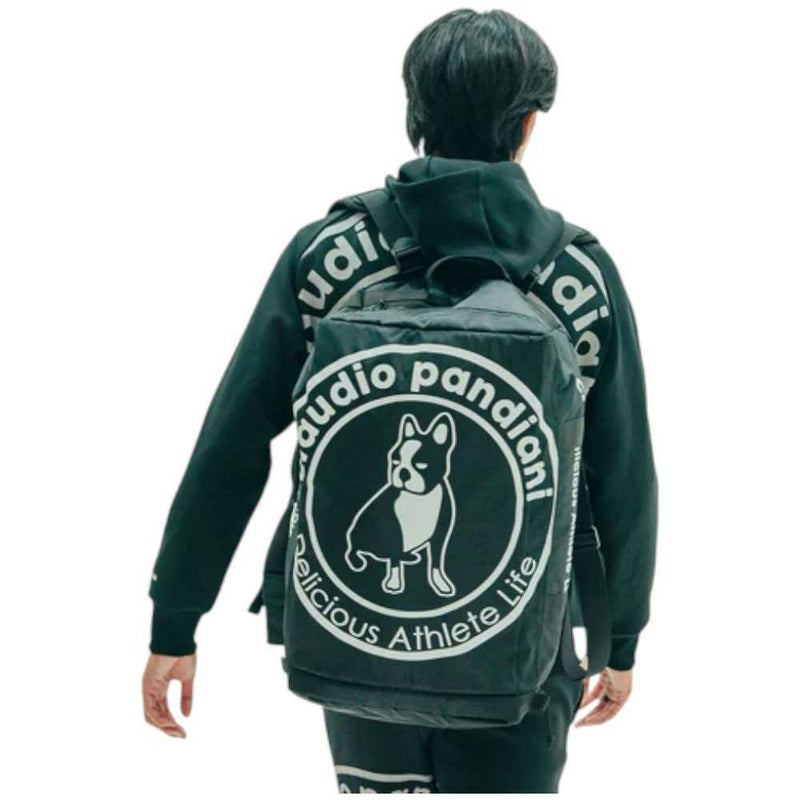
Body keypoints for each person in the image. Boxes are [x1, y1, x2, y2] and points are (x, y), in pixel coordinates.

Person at [142, 8, 658, 793]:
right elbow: (622, 474)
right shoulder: (578, 277)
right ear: (528, 125)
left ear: (414, 111)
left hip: (363, 634)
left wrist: (176, 620)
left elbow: (232, 445)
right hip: (525, 639)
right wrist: (620, 638)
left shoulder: (327, 254)